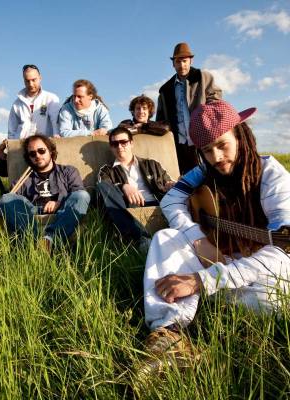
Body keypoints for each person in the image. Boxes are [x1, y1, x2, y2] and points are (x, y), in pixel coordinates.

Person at [142, 100, 290, 369]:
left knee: (273, 302)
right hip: (217, 257)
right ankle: (169, 335)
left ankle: (195, 304)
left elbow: (280, 252)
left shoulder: (272, 177)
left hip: (258, 271)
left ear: (241, 135)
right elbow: (171, 200)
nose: (217, 157)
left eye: (223, 145)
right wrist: (197, 237)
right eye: (207, 150)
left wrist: (201, 280)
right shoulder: (204, 171)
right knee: (164, 238)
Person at [0, 134, 90, 250]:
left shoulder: (68, 171)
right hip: (34, 209)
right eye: (32, 153)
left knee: (82, 195)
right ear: (29, 157)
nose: (37, 155)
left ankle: (50, 239)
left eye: (41, 151)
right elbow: (11, 199)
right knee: (5, 199)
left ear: (50, 151)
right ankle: (35, 241)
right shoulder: (24, 178)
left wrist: (59, 202)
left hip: (64, 209)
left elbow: (78, 191)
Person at [97, 127, 174, 251]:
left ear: (131, 143)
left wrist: (170, 185)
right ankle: (140, 238)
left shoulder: (151, 164)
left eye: (123, 142)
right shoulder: (107, 170)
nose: (119, 146)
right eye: (115, 144)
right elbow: (103, 187)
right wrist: (123, 186)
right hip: (128, 205)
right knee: (103, 187)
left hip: (156, 201)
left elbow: (169, 182)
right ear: (111, 147)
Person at [156, 43, 222, 174]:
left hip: (204, 139)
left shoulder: (203, 77)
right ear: (173, 64)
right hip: (180, 145)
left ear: (191, 61)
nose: (182, 65)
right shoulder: (165, 89)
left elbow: (215, 99)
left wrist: (205, 118)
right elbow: (161, 118)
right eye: (178, 61)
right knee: (187, 178)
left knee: (212, 174)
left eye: (185, 61)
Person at [8, 64, 60, 139]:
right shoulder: (16, 104)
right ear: (24, 80)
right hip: (22, 144)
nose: (31, 84)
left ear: (40, 78)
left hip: (44, 143)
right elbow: (11, 130)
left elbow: (56, 123)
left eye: (33, 80)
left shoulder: (51, 98)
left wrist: (56, 138)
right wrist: (12, 144)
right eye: (27, 81)